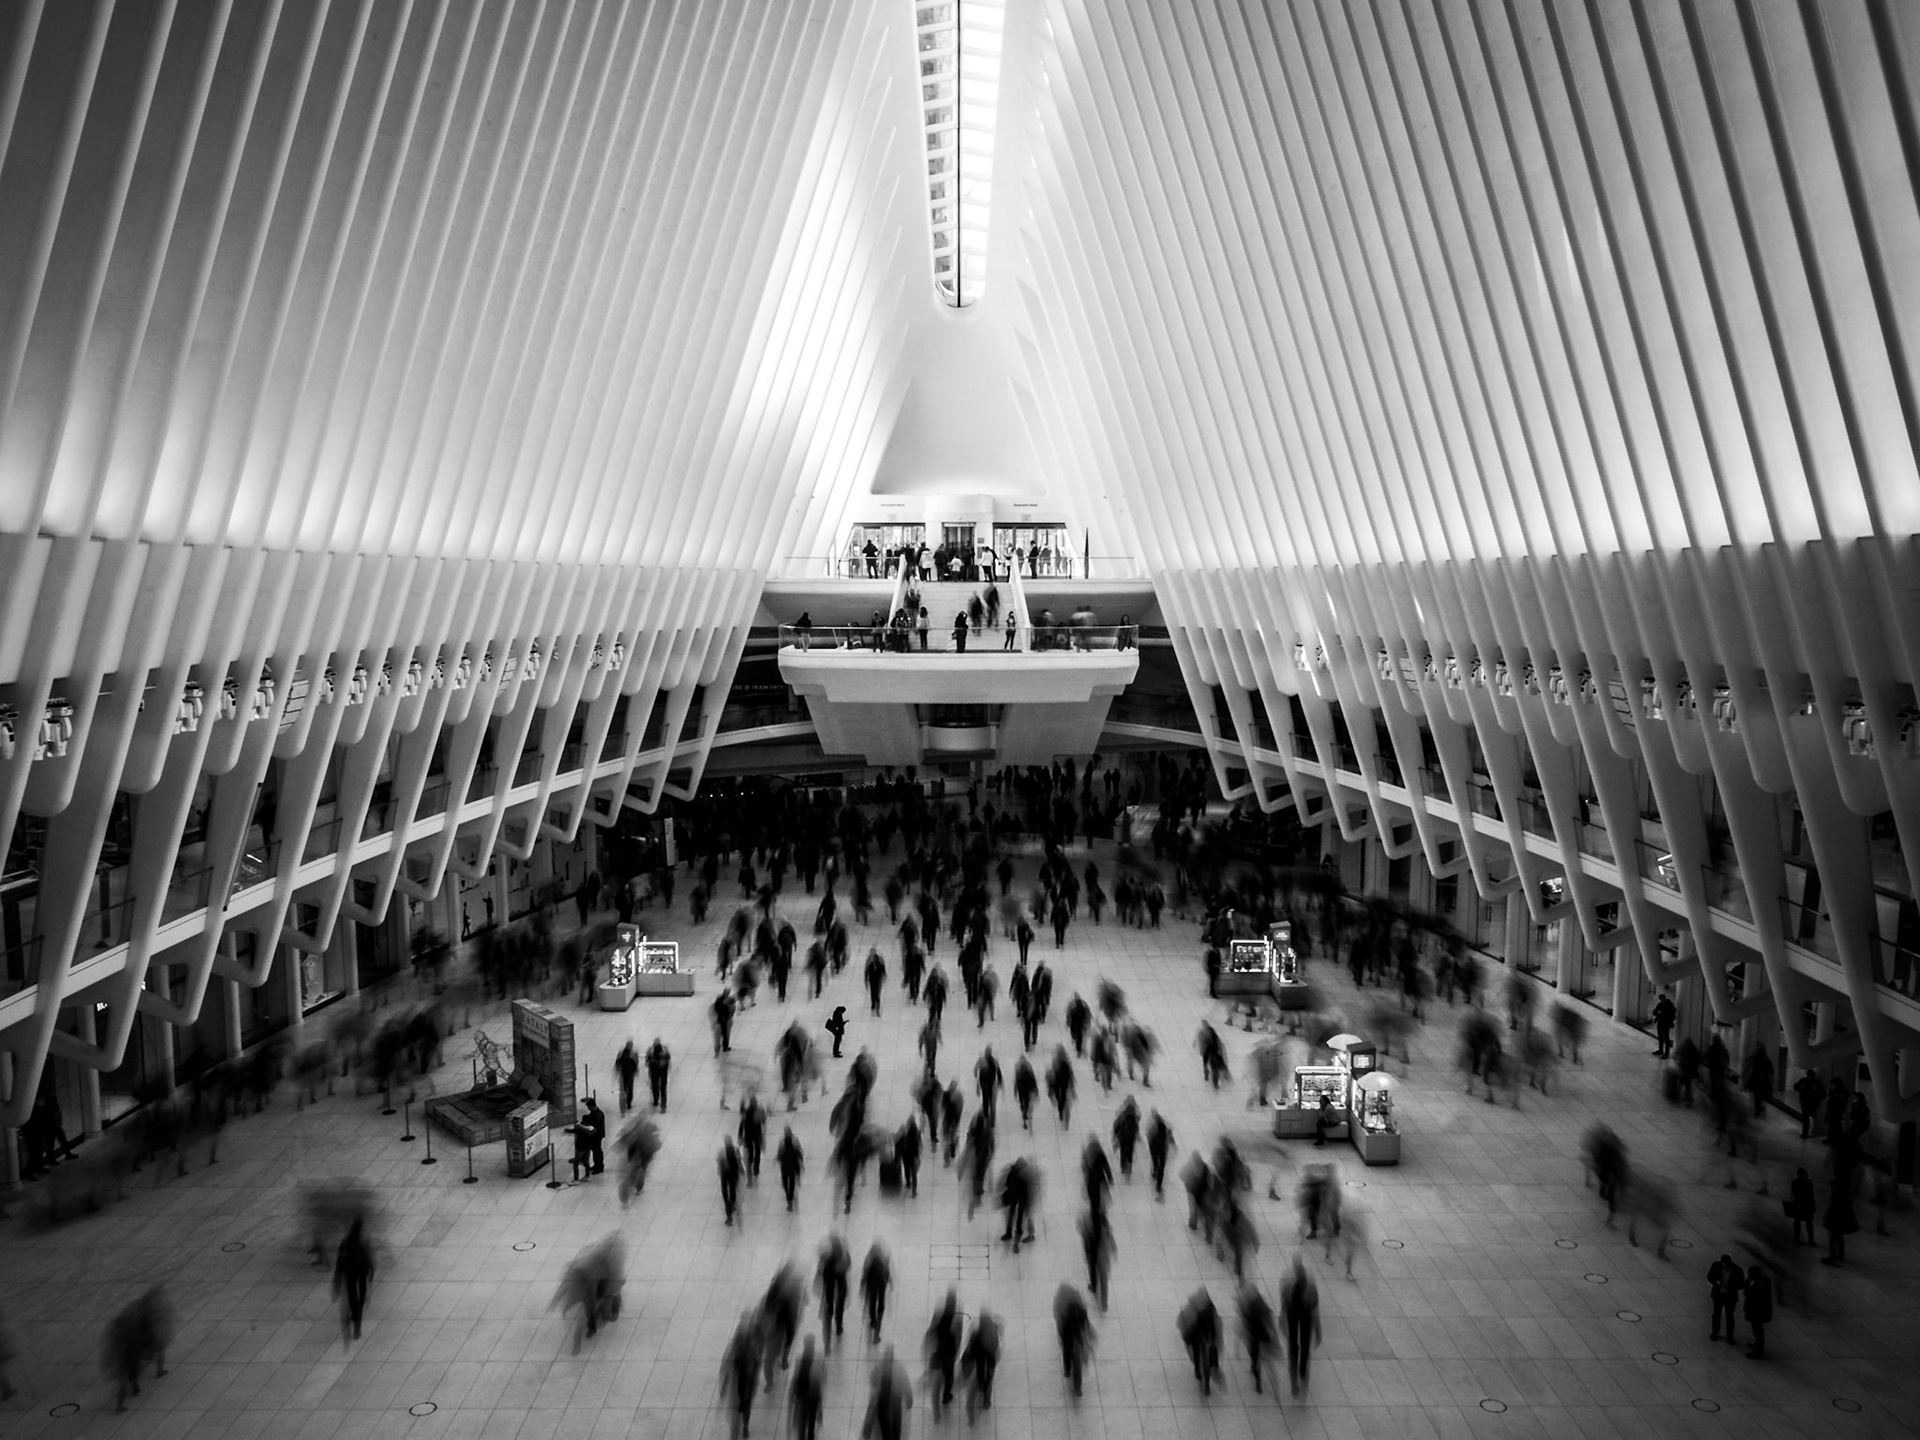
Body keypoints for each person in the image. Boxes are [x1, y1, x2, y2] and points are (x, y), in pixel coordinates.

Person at [1281, 1256, 1321, 1396]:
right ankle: (1302, 1370)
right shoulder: (1310, 1287)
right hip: (1306, 1316)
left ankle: (1294, 1381)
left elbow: (1284, 1306)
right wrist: (1318, 1331)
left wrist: (1282, 1321)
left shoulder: (1288, 1285)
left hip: (1294, 1314)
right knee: (1304, 1344)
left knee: (1294, 1346)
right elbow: (1315, 1310)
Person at [333, 1219, 375, 1343]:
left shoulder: (345, 1242)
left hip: (350, 1274)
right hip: (362, 1273)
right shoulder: (363, 1242)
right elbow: (368, 1259)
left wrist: (338, 1279)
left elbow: (340, 1262)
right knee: (361, 1300)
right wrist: (371, 1273)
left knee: (353, 1299)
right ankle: (357, 1328)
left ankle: (355, 1316)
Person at [863, 1345, 914, 1440]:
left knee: (884, 1425)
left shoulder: (879, 1367)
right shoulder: (899, 1367)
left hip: (882, 1401)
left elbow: (872, 1380)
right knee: (896, 1423)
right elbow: (906, 1383)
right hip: (895, 1400)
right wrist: (909, 1399)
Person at [1177, 1287, 1222, 1394]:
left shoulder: (1199, 1311)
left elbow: (1194, 1322)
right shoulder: (1211, 1310)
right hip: (1208, 1338)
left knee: (1197, 1354)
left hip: (1198, 1337)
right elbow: (1215, 1325)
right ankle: (1207, 1382)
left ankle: (1197, 1370)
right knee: (1208, 1359)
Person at [1052, 1283, 1094, 1397]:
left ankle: (1067, 1369)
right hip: (1078, 1336)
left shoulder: (1060, 1300)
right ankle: (1077, 1388)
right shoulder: (1078, 1301)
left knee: (1066, 1352)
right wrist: (1089, 1333)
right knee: (1077, 1362)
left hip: (1066, 1334)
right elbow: (1085, 1319)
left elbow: (1057, 1315)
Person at [960, 1308, 1001, 1420]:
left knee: (980, 1373)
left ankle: (981, 1384)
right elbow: (996, 1345)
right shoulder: (993, 1329)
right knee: (989, 1380)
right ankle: (986, 1401)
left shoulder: (977, 1333)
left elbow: (971, 1347)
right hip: (990, 1361)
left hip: (980, 1359)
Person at [1238, 1284, 1278, 1394]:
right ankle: (1270, 1382)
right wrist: (1273, 1335)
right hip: (1264, 1335)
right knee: (1267, 1360)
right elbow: (1269, 1319)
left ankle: (1258, 1381)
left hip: (1254, 1337)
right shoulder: (1262, 1306)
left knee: (1255, 1359)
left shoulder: (1246, 1308)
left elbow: (1244, 1323)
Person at [817, 1235, 851, 1346]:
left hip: (830, 1286)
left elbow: (822, 1271)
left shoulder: (827, 1258)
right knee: (839, 1307)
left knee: (830, 1302)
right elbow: (848, 1265)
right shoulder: (843, 1255)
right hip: (840, 1286)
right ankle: (838, 1327)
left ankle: (831, 1316)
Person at [789, 1335, 824, 1440]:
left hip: (805, 1394)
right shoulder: (818, 1358)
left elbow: (796, 1377)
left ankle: (805, 1435)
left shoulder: (801, 1359)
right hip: (811, 1393)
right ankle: (809, 1436)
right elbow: (821, 1378)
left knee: (804, 1420)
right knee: (810, 1419)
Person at [1708, 1253, 1745, 1343]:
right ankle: (1715, 1332)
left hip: (1730, 1295)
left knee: (1730, 1316)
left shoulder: (1737, 1270)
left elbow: (1741, 1284)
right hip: (1718, 1294)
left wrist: (1730, 1286)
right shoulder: (1716, 1265)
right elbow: (1709, 1277)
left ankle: (1730, 1335)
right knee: (1716, 1313)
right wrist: (1716, 1282)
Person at [861, 1243, 892, 1342]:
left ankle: (873, 1321)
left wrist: (862, 1285)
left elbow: (865, 1273)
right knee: (881, 1299)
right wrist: (888, 1280)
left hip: (872, 1284)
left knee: (872, 1302)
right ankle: (880, 1311)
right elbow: (886, 1271)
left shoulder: (869, 1260)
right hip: (881, 1283)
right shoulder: (883, 1258)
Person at [1146, 1110, 1174, 1198]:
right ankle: (1158, 1185)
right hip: (1163, 1150)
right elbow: (1170, 1136)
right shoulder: (1166, 1127)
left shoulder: (1153, 1127)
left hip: (1155, 1149)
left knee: (1155, 1162)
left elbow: (1149, 1136)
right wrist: (1173, 1145)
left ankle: (1154, 1172)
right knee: (1161, 1167)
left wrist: (1150, 1145)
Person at [1789, 1167, 1817, 1245]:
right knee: (1807, 1223)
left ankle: (1800, 1239)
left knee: (1800, 1222)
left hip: (1802, 1205)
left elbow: (1794, 1193)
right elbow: (1810, 1194)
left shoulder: (1796, 1182)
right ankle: (1808, 1239)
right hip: (1804, 1204)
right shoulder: (1808, 1182)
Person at [719, 1138, 743, 1226]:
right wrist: (741, 1169)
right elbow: (739, 1161)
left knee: (728, 1195)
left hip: (726, 1176)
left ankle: (729, 1215)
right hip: (731, 1175)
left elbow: (720, 1164)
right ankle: (731, 1207)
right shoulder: (734, 1150)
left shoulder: (723, 1152)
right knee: (731, 1192)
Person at [614, 1040, 639, 1115]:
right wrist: (636, 1071)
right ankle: (628, 1103)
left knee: (624, 1088)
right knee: (630, 1088)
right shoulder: (633, 1053)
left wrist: (617, 1069)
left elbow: (617, 1062)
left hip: (623, 1074)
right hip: (630, 1074)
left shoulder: (621, 1052)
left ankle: (625, 1103)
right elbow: (635, 1063)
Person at [645, 1038, 671, 1110]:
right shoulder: (651, 1050)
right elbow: (647, 1059)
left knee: (662, 1087)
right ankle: (656, 1100)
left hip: (661, 1070)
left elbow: (668, 1058)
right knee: (655, 1086)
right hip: (655, 1070)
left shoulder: (664, 1049)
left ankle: (662, 1103)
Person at [1651, 992, 1676, 1058]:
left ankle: (1666, 1053)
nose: (1662, 1000)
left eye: (1662, 999)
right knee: (1660, 1037)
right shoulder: (1660, 1004)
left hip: (1666, 1023)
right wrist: (1659, 1013)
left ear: (1664, 998)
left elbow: (1671, 1014)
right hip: (1660, 1022)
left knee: (1666, 1038)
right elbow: (1654, 1012)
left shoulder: (1669, 1005)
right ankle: (1661, 1050)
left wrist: (1661, 1013)